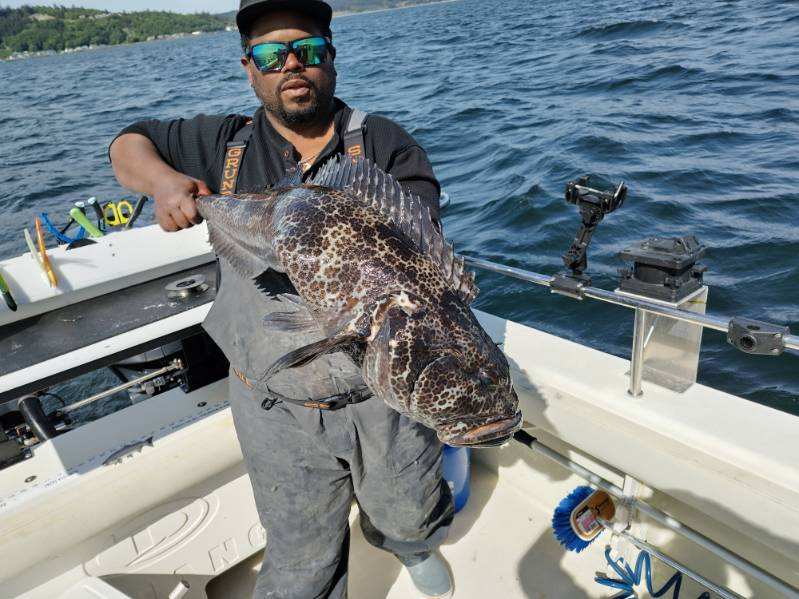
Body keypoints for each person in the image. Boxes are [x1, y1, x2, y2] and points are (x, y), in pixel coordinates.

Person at [108, 1, 455, 597]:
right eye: (272, 54)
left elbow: (419, 250)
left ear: (331, 58)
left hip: (379, 391)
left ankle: (411, 544)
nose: (292, 64)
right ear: (249, 67)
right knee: (299, 548)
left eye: (308, 50)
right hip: (270, 401)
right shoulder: (223, 145)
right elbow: (127, 144)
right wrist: (165, 183)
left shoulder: (385, 144)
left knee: (408, 503)